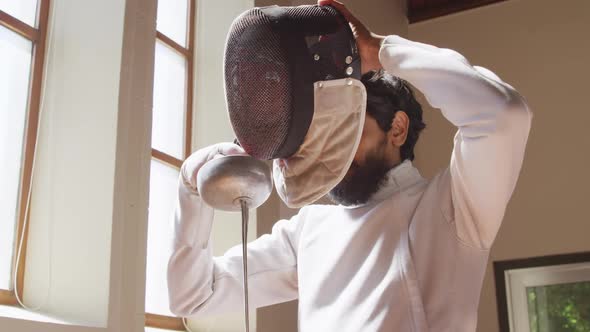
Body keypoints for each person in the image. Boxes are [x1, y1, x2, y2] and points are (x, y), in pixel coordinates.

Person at [166, 1, 532, 331]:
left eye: (347, 129)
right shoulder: (309, 231)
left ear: (397, 128)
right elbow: (195, 296)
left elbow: (503, 116)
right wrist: (192, 187)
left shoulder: (451, 209)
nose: (329, 151)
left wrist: (380, 51)